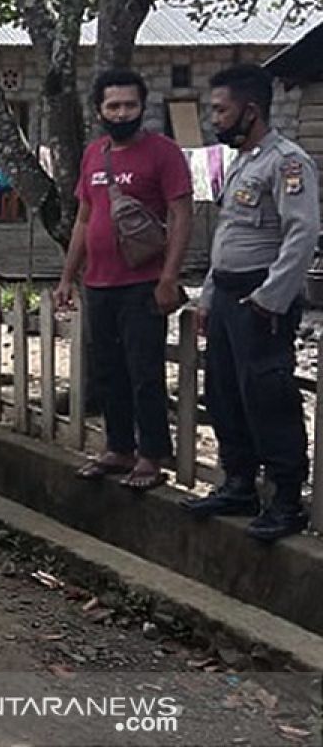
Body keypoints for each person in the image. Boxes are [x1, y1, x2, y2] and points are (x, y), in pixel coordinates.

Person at [180, 64, 319, 541]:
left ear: (251, 109)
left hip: (262, 300)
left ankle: (285, 500)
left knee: (268, 396)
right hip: (228, 297)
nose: (213, 118)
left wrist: (271, 298)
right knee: (224, 393)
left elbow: (302, 235)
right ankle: (238, 483)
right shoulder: (242, 160)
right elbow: (229, 236)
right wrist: (209, 298)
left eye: (221, 109)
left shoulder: (288, 161)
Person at [54, 68, 193, 490]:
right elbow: (83, 218)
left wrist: (168, 277)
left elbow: (181, 215)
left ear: (142, 106)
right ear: (99, 110)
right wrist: (67, 277)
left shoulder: (163, 152)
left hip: (143, 284)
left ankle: (152, 454)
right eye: (113, 105)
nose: (122, 112)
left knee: (143, 371)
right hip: (99, 284)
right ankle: (119, 447)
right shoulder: (95, 154)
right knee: (108, 370)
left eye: (130, 104)